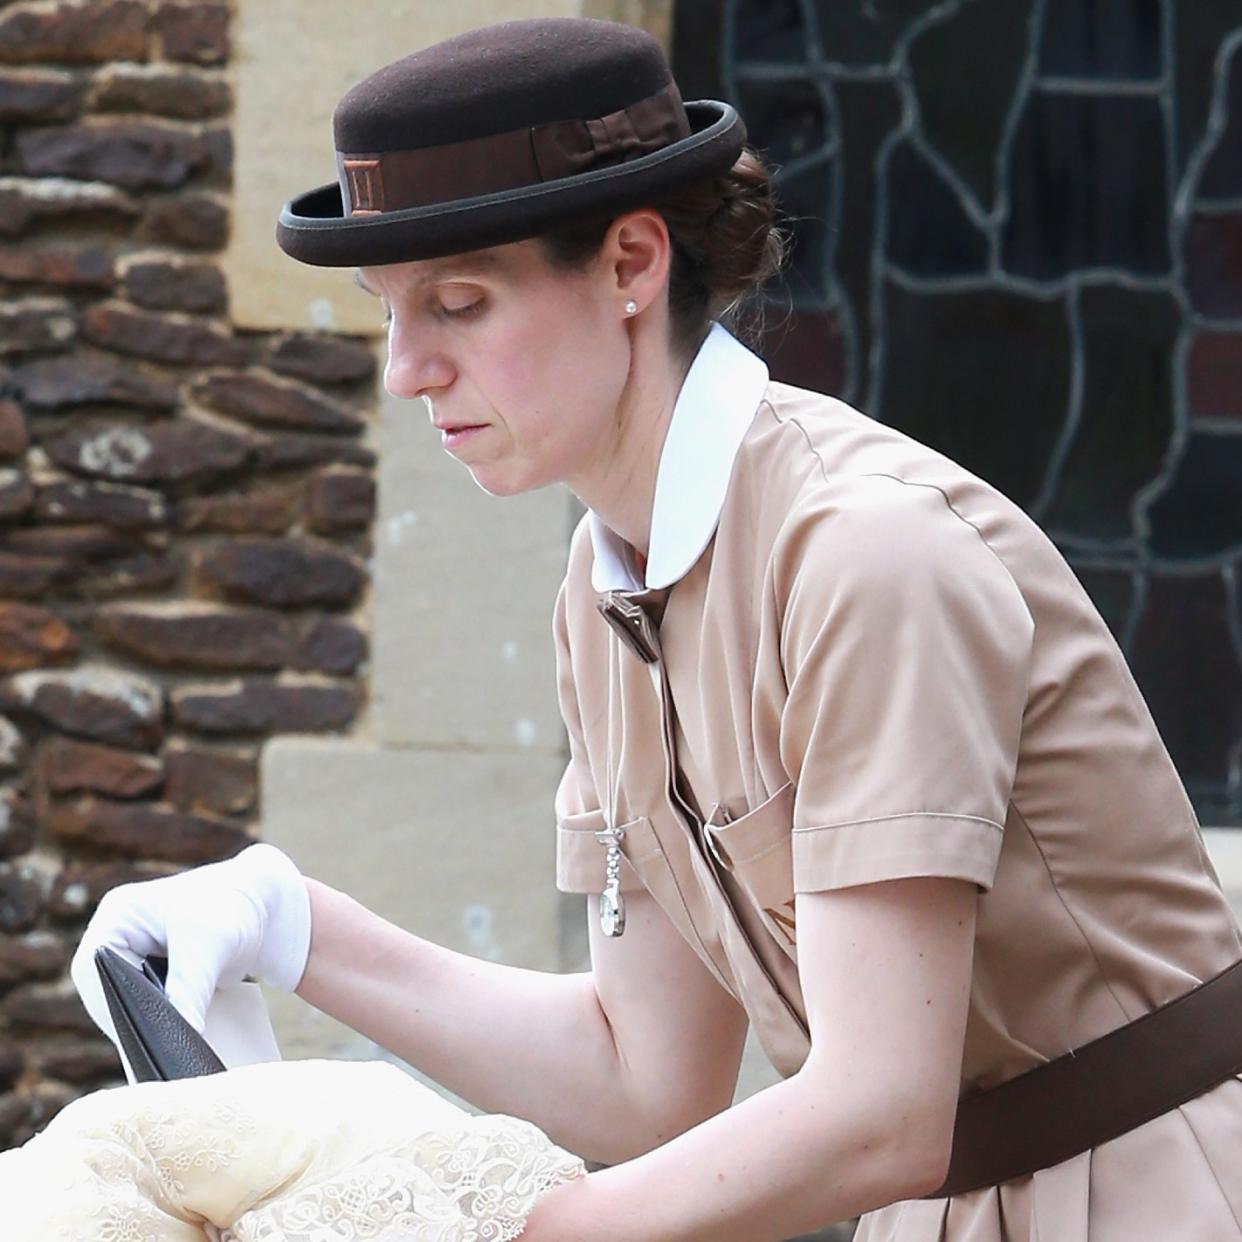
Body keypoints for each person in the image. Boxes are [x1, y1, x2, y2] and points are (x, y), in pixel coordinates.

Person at [70, 16, 1242, 1242]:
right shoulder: (603, 587)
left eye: (458, 304)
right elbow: (645, 1080)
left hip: (1163, 1193)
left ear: (633, 263)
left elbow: (883, 1109)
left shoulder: (864, 550)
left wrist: (503, 1232)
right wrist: (292, 925)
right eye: (387, 312)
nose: (404, 369)